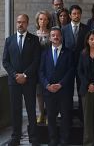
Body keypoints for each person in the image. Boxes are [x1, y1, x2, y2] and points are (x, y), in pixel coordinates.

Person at [2, 14, 41, 146]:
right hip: (14, 82)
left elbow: (36, 61)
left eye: (23, 22)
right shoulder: (9, 40)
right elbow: (5, 61)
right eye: (18, 22)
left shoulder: (34, 40)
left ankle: (34, 138)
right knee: (15, 110)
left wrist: (25, 75)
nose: (20, 24)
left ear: (27, 23)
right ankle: (15, 137)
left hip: (29, 81)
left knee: (31, 110)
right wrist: (15, 75)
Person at [39, 27, 74, 146]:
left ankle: (64, 140)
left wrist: (60, 84)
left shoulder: (69, 53)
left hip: (64, 91)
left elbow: (71, 70)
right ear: (49, 38)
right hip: (49, 91)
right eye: (53, 35)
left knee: (65, 117)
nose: (55, 37)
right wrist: (47, 85)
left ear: (61, 37)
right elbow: (41, 72)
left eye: (57, 35)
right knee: (51, 117)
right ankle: (53, 140)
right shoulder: (45, 53)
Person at [62, 5, 90, 122]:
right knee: (67, 91)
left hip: (82, 64)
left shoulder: (86, 28)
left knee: (81, 90)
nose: (76, 15)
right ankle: (67, 116)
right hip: (68, 65)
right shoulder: (64, 29)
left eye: (78, 13)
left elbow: (88, 47)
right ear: (70, 15)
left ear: (81, 14)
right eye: (74, 13)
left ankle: (82, 116)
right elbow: (62, 47)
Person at [34, 10, 51, 125]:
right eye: (40, 19)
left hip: (49, 66)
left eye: (45, 19)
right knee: (39, 92)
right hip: (37, 66)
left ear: (48, 20)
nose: (43, 21)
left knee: (48, 92)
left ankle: (50, 114)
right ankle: (41, 114)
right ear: (37, 20)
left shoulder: (52, 33)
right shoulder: (34, 35)